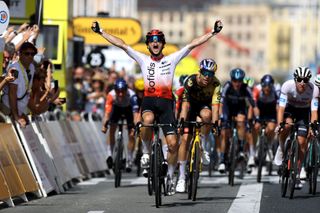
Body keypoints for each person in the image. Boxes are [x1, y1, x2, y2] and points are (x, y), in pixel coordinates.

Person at [92, 19, 223, 194]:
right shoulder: (143, 59)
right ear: (148, 45)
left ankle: (170, 176)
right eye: (152, 40)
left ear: (162, 44)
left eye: (158, 40)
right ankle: (146, 152)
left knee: (173, 143)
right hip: (149, 101)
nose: (155, 42)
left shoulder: (172, 59)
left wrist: (212, 32)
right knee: (147, 120)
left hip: (166, 103)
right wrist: (101, 31)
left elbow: (193, 44)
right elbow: (122, 44)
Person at [176, 58, 221, 193]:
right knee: (184, 140)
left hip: (204, 106)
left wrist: (215, 124)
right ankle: (181, 177)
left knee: (207, 116)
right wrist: (182, 120)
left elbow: (215, 107)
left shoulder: (216, 84)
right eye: (205, 73)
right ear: (199, 72)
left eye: (211, 74)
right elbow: (185, 104)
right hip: (190, 107)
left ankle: (204, 145)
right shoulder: (190, 81)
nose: (207, 77)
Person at [274, 67, 318, 189]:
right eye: (299, 79)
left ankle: (297, 172)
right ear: (295, 79)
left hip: (304, 112)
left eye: (305, 80)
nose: (302, 83)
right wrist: (279, 124)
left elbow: (314, 111)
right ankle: (282, 149)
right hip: (290, 109)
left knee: (302, 141)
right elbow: (281, 108)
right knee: (286, 126)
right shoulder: (287, 86)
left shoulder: (314, 89)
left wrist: (313, 126)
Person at [218, 68, 260, 173]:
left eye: (239, 81)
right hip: (228, 109)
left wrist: (258, 119)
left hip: (239, 109)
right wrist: (220, 117)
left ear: (242, 81)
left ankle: (241, 148)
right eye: (234, 81)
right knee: (224, 133)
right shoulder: (227, 86)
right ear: (231, 80)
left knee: (241, 121)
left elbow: (254, 105)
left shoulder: (246, 88)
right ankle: (222, 160)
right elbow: (221, 103)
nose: (237, 83)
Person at [101, 78, 139, 172]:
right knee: (112, 128)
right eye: (118, 91)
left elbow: (136, 114)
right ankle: (109, 154)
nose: (121, 94)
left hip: (128, 110)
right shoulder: (111, 95)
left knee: (131, 133)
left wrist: (134, 126)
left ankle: (129, 158)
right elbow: (107, 113)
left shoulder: (132, 95)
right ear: (115, 90)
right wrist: (104, 125)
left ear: (127, 89)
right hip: (116, 109)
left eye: (123, 91)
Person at [1, 42, 37, 127]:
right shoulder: (15, 69)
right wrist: (16, 116)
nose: (30, 56)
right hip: (8, 108)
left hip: (20, 108)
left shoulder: (32, 67)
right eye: (27, 54)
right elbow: (12, 94)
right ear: (20, 54)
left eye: (32, 54)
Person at [253, 75, 278, 158]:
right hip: (260, 110)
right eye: (265, 86)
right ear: (261, 85)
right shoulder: (257, 89)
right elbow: (254, 105)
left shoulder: (276, 91)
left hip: (271, 111)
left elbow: (278, 108)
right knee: (256, 127)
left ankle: (269, 147)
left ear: (272, 86)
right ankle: (256, 145)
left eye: (269, 86)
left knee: (271, 128)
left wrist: (278, 121)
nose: (267, 88)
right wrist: (256, 117)